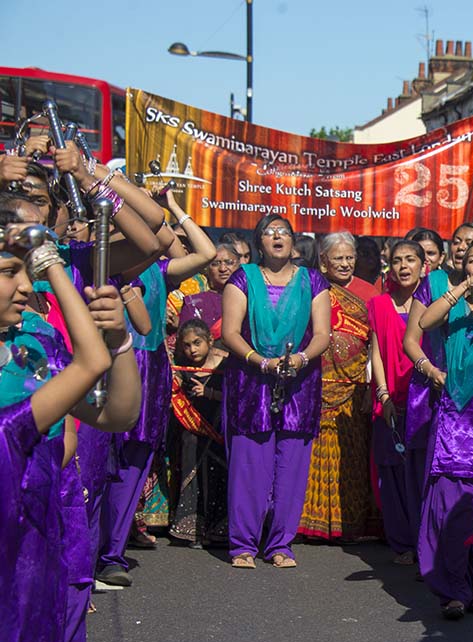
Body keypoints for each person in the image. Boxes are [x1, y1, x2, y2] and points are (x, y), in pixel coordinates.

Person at [0, 222, 124, 642]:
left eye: (27, 269)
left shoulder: (36, 344)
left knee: (56, 635)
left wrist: (119, 340)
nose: (25, 288)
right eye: (9, 271)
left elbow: (115, 412)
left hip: (48, 513)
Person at [95, 187, 216, 585]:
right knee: (100, 460)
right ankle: (91, 549)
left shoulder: (158, 270)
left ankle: (111, 552)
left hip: (151, 368)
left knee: (136, 460)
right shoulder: (99, 264)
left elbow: (205, 253)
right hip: (109, 365)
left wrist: (174, 208)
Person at [221, 214, 332, 569]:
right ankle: (243, 545)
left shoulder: (313, 280)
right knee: (250, 464)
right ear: (259, 243)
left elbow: (322, 335)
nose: (277, 237)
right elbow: (231, 332)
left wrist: (300, 359)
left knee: (292, 466)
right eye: (269, 233)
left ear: (294, 241)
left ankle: (281, 544)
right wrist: (260, 361)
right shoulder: (243, 278)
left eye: (283, 232)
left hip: (299, 381)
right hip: (251, 381)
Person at [415, 239, 473, 618]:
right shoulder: (455, 310)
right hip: (457, 423)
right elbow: (422, 323)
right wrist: (465, 288)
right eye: (472, 261)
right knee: (451, 511)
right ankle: (450, 590)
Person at [402, 222, 473, 538]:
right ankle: (424, 543)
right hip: (430, 387)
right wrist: (431, 371)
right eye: (458, 241)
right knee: (426, 469)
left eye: (472, 243)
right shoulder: (433, 283)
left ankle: (463, 547)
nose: (463, 247)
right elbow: (412, 339)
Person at [298, 232, 378, 543]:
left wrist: (373, 384)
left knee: (351, 457)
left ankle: (351, 524)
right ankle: (309, 525)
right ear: (323, 261)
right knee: (313, 455)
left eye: (349, 258)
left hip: (354, 386)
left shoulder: (369, 294)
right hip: (315, 384)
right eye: (338, 259)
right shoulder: (310, 288)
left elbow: (376, 343)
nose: (344, 264)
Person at [368, 240, 421, 563]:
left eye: (410, 260)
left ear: (423, 265)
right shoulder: (378, 304)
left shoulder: (433, 304)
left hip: (423, 398)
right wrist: (383, 393)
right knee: (392, 473)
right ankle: (403, 542)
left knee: (421, 472)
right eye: (397, 260)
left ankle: (425, 540)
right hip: (390, 397)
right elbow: (375, 351)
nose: (403, 266)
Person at [167, 319, 226, 548]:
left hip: (217, 431)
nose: (192, 350)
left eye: (197, 343)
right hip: (190, 433)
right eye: (186, 345)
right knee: (192, 477)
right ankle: (191, 529)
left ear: (210, 340)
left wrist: (209, 392)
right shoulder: (182, 365)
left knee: (217, 477)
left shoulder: (224, 363)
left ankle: (218, 530)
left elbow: (236, 395)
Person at [179, 242, 238, 334]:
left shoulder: (249, 300)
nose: (223, 269)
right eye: (215, 264)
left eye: (229, 262)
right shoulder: (194, 304)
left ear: (239, 266)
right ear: (207, 269)